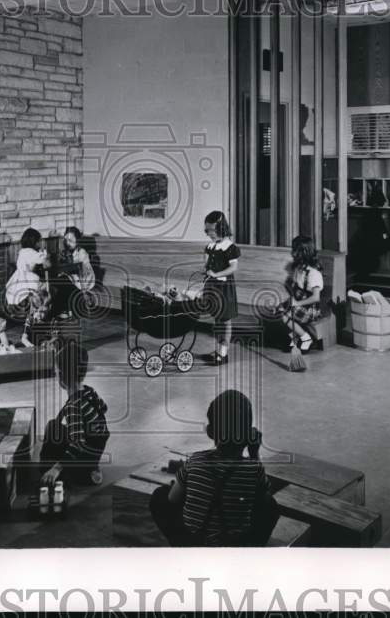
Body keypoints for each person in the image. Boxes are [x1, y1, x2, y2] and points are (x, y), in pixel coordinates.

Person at [149, 389, 279, 546]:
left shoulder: (195, 460)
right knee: (271, 506)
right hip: (234, 546)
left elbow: (172, 499)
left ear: (210, 432)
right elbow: (263, 501)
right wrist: (254, 453)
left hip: (193, 542)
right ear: (250, 434)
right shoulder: (253, 469)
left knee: (160, 494)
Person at [39, 338, 110, 487]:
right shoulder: (90, 391)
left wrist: (55, 468)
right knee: (58, 425)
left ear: (63, 376)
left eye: (57, 371)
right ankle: (91, 468)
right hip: (96, 450)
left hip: (85, 453)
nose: (55, 374)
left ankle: (68, 474)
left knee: (53, 429)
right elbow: (104, 408)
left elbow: (78, 443)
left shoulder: (73, 407)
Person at [201, 210, 239, 365]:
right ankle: (219, 350)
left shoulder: (229, 247)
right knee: (217, 319)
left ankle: (224, 353)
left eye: (211, 231)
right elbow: (207, 264)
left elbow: (233, 268)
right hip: (213, 287)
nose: (209, 234)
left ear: (221, 228)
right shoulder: (210, 246)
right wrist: (205, 268)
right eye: (207, 231)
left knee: (226, 320)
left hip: (224, 288)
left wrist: (215, 274)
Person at [5, 227, 51, 349]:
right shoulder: (32, 253)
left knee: (41, 294)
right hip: (27, 288)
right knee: (46, 293)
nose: (40, 243)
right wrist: (45, 254)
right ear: (34, 242)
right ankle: (38, 328)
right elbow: (47, 264)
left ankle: (31, 331)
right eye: (38, 241)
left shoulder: (22, 251)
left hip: (16, 287)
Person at [280, 235, 325, 353]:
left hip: (310, 307)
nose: (292, 253)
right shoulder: (299, 268)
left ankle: (306, 338)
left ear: (302, 252)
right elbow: (295, 286)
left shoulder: (314, 273)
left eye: (294, 250)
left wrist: (296, 303)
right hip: (299, 301)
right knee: (278, 310)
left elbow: (316, 297)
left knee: (285, 316)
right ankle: (295, 337)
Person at [47, 226, 96, 320]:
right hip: (71, 277)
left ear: (77, 241)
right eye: (66, 240)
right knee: (57, 282)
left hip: (83, 279)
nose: (68, 243)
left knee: (63, 283)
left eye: (71, 240)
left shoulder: (82, 252)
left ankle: (54, 312)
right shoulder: (65, 252)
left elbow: (80, 268)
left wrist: (68, 263)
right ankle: (61, 310)